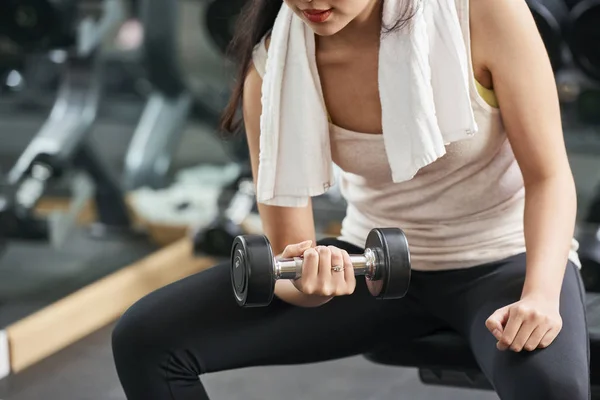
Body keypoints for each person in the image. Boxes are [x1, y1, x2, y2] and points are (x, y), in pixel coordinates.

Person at [111, 0, 591, 399]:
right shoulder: (272, 69)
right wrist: (309, 281)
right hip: (376, 265)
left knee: (551, 389)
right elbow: (287, 258)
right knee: (145, 340)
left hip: (505, 262)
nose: (312, 4)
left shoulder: (483, 14)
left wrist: (541, 297)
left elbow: (549, 177)